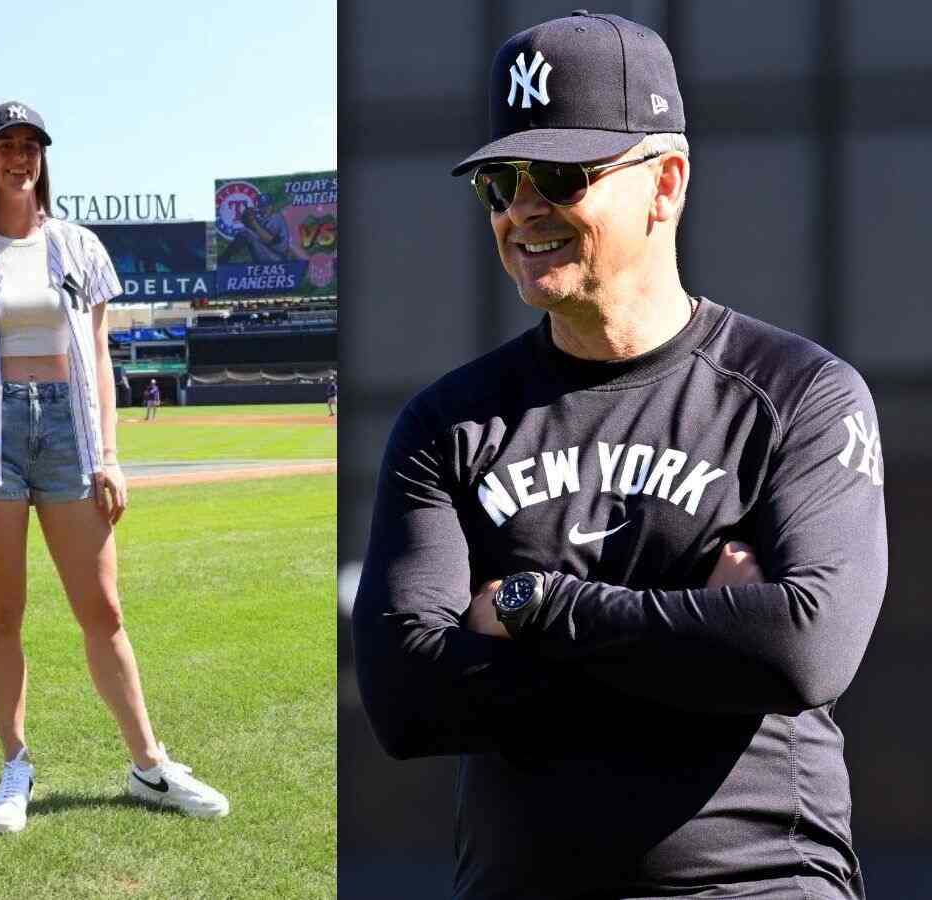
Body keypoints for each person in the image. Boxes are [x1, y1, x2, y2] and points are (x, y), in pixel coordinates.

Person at [352, 13, 886, 900]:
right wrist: (702, 644)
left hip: (755, 885)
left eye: (560, 176)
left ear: (664, 182)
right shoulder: (448, 424)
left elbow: (802, 649)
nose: (524, 209)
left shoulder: (797, 393)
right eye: (499, 182)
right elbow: (408, 701)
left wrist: (533, 604)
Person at [0, 100, 228, 835]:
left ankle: (149, 763)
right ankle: (15, 765)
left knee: (104, 610)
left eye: (30, 146)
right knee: (1, 612)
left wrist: (110, 456)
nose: (19, 158)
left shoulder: (78, 246)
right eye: (6, 146)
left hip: (70, 434)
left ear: (43, 157)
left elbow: (97, 355)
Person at [218, 193, 291, 264]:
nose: (265, 208)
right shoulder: (265, 218)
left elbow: (269, 240)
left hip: (277, 258)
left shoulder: (276, 218)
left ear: (272, 206)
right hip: (271, 254)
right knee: (245, 231)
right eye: (262, 206)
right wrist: (247, 219)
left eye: (268, 205)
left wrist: (253, 221)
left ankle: (222, 260)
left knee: (246, 232)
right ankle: (223, 260)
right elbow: (255, 231)